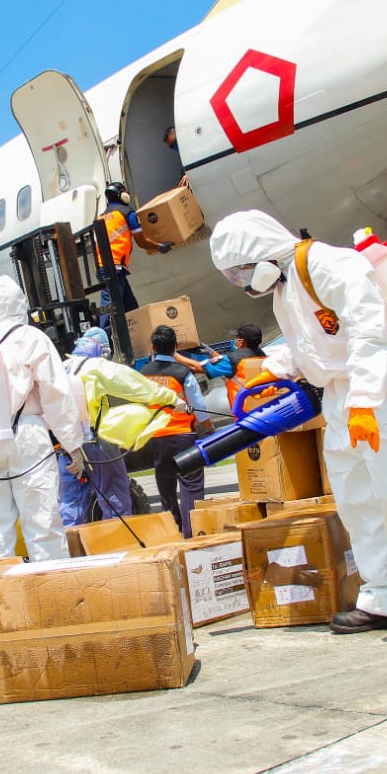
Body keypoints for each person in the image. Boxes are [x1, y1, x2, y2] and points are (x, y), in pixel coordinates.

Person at [211, 210, 387, 634]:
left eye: (241, 274)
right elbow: (314, 346)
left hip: (377, 388)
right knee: (357, 501)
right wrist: (274, 368)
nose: (243, 285)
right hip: (337, 394)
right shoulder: (287, 284)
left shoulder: (332, 265)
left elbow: (368, 334)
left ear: (261, 253)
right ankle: (386, 595)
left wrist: (366, 402)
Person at [0, 276, 85, 561]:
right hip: (25, 435)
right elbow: (56, 393)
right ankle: (53, 593)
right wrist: (72, 443)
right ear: (21, 305)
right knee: (42, 525)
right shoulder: (30, 337)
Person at [58, 327, 185, 526]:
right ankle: (117, 547)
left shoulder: (61, 368)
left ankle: (71, 550)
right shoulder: (96, 367)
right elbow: (136, 385)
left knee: (69, 502)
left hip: (66, 445)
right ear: (101, 349)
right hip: (95, 443)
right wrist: (171, 398)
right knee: (115, 497)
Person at [141, 325, 211, 538]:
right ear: (176, 348)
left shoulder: (143, 374)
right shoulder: (183, 372)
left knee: (166, 488)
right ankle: (193, 532)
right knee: (191, 485)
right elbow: (198, 404)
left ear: (152, 347)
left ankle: (173, 531)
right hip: (184, 436)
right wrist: (208, 428)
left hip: (158, 438)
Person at [97, 182, 171, 330]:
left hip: (106, 267)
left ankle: (139, 337)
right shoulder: (126, 212)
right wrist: (160, 247)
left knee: (132, 310)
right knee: (110, 311)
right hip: (115, 268)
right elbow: (142, 242)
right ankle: (103, 342)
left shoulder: (101, 217)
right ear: (122, 195)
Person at [176, 323, 267, 406]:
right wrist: (209, 351)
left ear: (242, 341)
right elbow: (224, 363)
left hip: (247, 412)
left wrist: (173, 353)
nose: (235, 340)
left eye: (237, 337)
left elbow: (196, 367)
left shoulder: (233, 360)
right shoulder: (263, 357)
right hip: (265, 405)